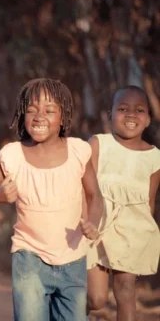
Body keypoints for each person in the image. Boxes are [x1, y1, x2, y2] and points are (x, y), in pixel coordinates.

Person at [0, 78, 103, 321]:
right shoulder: (12, 156)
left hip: (72, 257)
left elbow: (95, 195)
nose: (39, 116)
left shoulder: (78, 151)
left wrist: (92, 223)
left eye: (49, 110)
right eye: (31, 110)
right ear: (22, 117)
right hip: (29, 257)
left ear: (63, 118)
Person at [86, 85, 160, 320]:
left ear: (148, 119)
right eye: (123, 109)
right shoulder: (98, 144)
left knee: (126, 290)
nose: (130, 115)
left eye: (139, 110)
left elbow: (149, 201)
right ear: (110, 114)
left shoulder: (155, 157)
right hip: (95, 229)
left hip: (132, 232)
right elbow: (87, 190)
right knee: (95, 299)